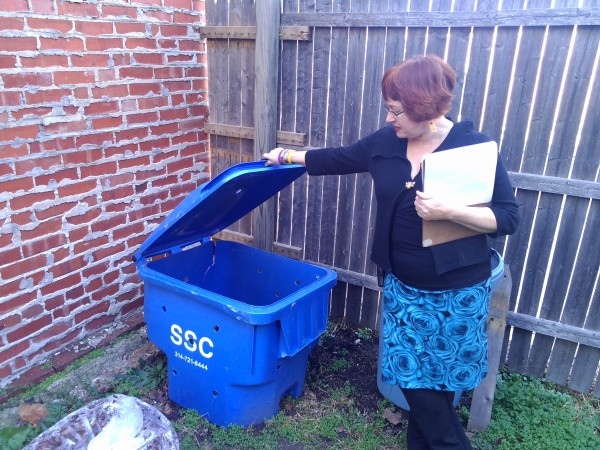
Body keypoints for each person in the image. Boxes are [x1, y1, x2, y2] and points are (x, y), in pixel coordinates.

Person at [263, 54, 520, 449]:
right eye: (389, 109)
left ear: (427, 111)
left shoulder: (473, 148)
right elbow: (339, 157)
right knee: (410, 376)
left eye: (396, 111)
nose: (389, 119)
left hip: (458, 291)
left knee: (439, 379)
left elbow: (507, 217)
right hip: (403, 287)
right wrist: (287, 156)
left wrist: (450, 211)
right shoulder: (387, 142)